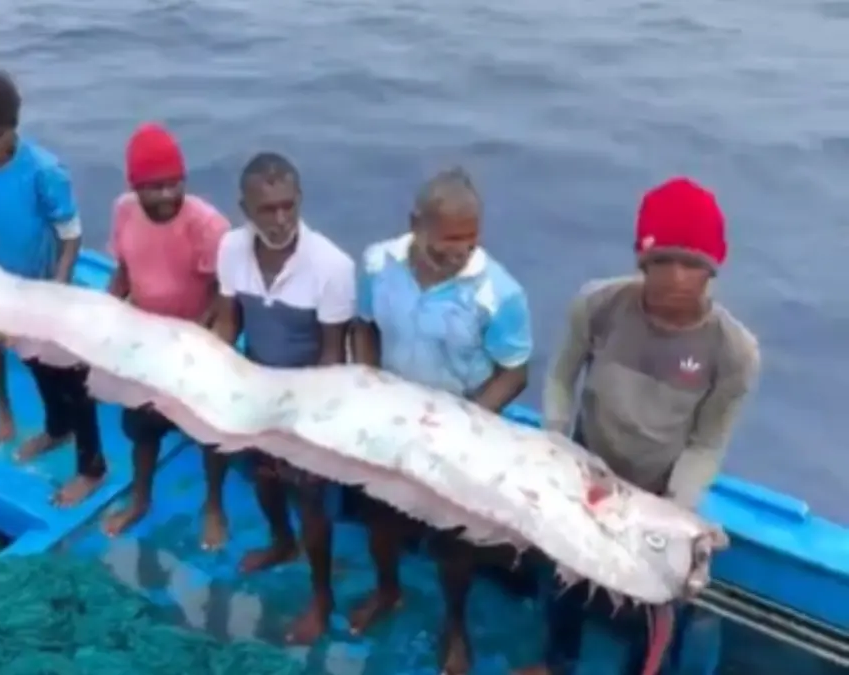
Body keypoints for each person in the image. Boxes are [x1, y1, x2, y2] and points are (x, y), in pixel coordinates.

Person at [541, 177, 760, 673]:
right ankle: (556, 660)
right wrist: (556, 443)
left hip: (661, 487)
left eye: (692, 264)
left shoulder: (734, 352)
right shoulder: (598, 305)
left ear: (712, 269)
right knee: (562, 579)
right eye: (663, 261)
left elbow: (707, 443)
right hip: (586, 465)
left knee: (653, 606)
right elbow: (560, 377)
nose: (676, 277)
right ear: (642, 260)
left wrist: (673, 508)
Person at [350, 168, 546, 675]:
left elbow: (515, 371)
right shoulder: (377, 264)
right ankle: (387, 590)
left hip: (458, 427)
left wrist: (466, 421)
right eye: (445, 243)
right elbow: (364, 325)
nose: (458, 254)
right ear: (415, 224)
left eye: (469, 242)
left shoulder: (498, 294)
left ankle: (454, 625)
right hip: (392, 417)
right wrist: (369, 383)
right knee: (380, 515)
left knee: (453, 539)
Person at [210, 152, 356, 644]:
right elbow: (228, 323)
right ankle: (281, 542)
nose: (280, 219)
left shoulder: (333, 266)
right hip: (255, 386)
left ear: (300, 201)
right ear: (244, 209)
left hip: (308, 399)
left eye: (288, 206)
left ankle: (321, 597)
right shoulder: (231, 248)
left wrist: (309, 433)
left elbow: (332, 357)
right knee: (264, 477)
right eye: (267, 209)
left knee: (310, 498)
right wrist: (210, 381)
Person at [0, 68, 105, 505]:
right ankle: (57, 428)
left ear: (14, 122)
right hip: (6, 288)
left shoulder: (45, 171)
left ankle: (92, 467)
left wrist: (58, 287)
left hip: (48, 289)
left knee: (73, 380)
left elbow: (71, 235)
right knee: (34, 364)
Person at [100, 123, 232, 544]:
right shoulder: (124, 211)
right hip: (144, 344)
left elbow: (225, 296)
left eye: (174, 184)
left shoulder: (209, 226)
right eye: (154, 187)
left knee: (210, 435)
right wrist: (103, 314)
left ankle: (214, 505)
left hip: (197, 343)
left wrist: (196, 344)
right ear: (134, 187)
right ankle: (140, 499)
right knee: (142, 429)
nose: (166, 196)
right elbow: (123, 272)